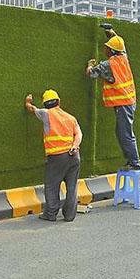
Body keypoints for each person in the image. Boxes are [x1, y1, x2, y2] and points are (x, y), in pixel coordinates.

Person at [85, 25, 140, 170]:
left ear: (111, 51)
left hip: (124, 103)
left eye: (107, 47)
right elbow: (121, 47)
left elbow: (91, 73)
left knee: (125, 133)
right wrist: (112, 33)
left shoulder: (109, 65)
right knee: (121, 132)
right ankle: (131, 160)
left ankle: (135, 163)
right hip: (128, 101)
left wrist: (90, 65)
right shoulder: (123, 58)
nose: (105, 49)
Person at [24, 89, 83, 222]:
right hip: (74, 155)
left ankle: (50, 214)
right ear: (59, 102)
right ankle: (69, 215)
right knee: (72, 186)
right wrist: (74, 146)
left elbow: (33, 109)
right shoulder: (70, 118)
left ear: (45, 104)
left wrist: (28, 103)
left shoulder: (45, 113)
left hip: (57, 157)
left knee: (52, 185)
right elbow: (79, 134)